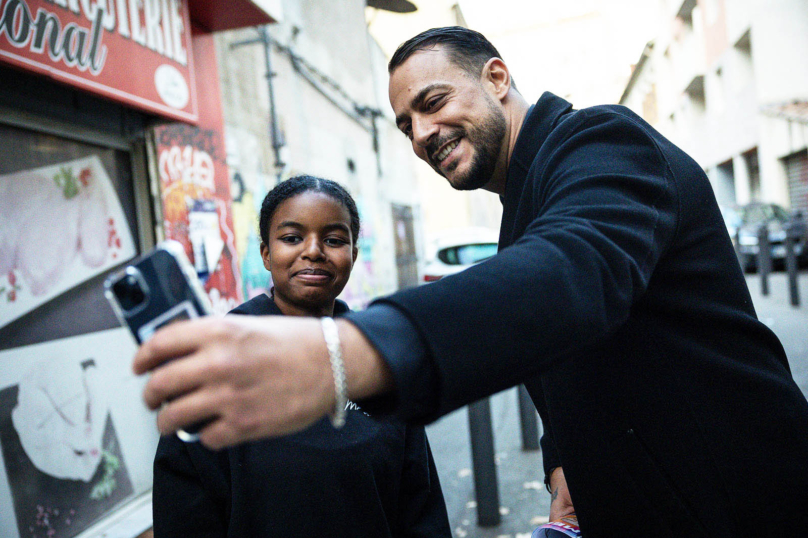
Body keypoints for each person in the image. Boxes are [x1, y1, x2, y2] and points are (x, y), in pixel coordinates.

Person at [134, 27, 808, 537]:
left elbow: (575, 272)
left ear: (496, 77)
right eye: (405, 125)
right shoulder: (525, 213)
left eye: (433, 102)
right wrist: (562, 458)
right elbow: (562, 339)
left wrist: (342, 354)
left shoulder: (602, 141)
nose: (422, 133)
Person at [150, 175, 451, 538]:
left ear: (353, 255)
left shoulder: (379, 356)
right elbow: (183, 509)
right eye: (292, 238)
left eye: (334, 240)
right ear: (266, 253)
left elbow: (419, 501)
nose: (313, 251)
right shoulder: (220, 360)